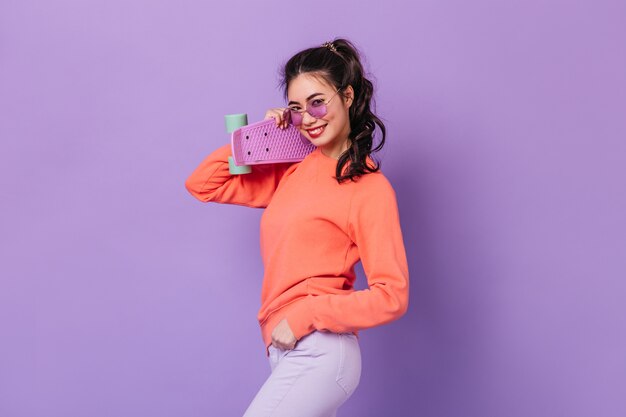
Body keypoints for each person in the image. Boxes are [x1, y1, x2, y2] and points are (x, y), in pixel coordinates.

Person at [185, 38, 410, 417]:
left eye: (317, 102)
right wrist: (263, 137)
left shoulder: (368, 187)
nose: (308, 117)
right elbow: (204, 184)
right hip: (285, 351)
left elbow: (392, 295)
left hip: (321, 350)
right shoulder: (293, 171)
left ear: (348, 96)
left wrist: (306, 316)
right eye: (296, 108)